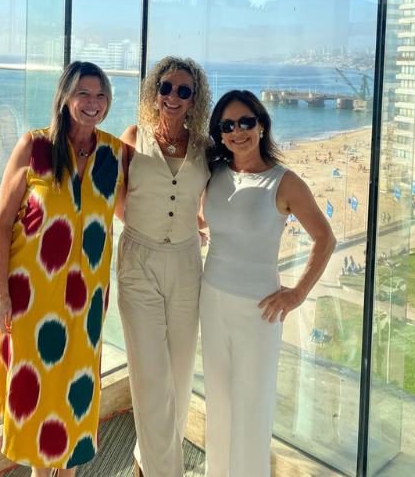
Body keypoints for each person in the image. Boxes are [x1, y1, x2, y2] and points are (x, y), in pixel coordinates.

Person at [0, 61, 127, 476]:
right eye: (84, 93)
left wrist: (192, 226)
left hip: (86, 303)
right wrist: (0, 293)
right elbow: (2, 223)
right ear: (64, 97)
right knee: (36, 391)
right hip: (32, 296)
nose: (94, 103)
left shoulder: (116, 154)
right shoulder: (34, 146)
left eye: (101, 95)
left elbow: (145, 205)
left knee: (76, 392)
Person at [200, 90, 336, 476]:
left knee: (252, 408)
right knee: (218, 403)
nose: (237, 131)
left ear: (261, 125)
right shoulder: (215, 173)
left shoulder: (284, 182)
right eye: (227, 125)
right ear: (219, 133)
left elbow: (325, 239)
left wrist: (297, 294)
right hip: (211, 300)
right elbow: (205, 219)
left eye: (246, 122)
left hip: (259, 311)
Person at [115, 56, 212, 477]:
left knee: (179, 376)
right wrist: (149, 226)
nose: (173, 96)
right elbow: (115, 198)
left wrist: (188, 225)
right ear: (154, 92)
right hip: (139, 261)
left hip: (188, 264)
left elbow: (210, 207)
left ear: (194, 99)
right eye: (166, 87)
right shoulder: (133, 138)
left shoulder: (205, 148)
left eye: (183, 90)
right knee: (151, 378)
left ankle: (145, 463)